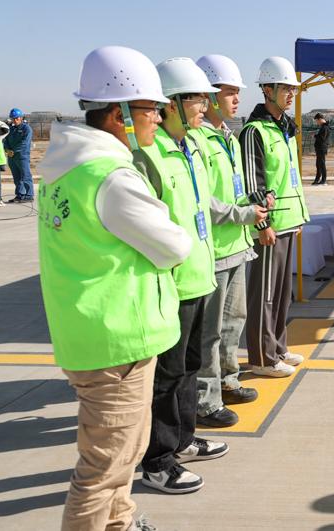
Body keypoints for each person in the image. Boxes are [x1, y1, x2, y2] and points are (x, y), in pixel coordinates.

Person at [37, 45, 191, 531]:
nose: (158, 117)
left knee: (123, 454)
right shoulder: (112, 177)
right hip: (116, 340)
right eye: (151, 108)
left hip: (92, 333)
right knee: (102, 470)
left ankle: (119, 523)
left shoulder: (68, 169)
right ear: (119, 113)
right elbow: (174, 245)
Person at [133, 58, 229, 494]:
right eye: (197, 99)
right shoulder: (148, 154)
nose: (205, 107)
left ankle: (184, 440)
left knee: (190, 366)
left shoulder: (190, 146)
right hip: (172, 283)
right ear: (170, 103)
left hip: (199, 275)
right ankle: (157, 461)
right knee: (167, 376)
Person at [191, 54, 270, 427]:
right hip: (215, 249)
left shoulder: (228, 137)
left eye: (238, 92)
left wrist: (256, 205)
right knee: (209, 331)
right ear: (207, 96)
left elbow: (234, 189)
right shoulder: (197, 139)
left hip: (237, 244)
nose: (237, 99)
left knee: (233, 321)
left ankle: (227, 380)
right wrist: (243, 215)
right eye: (229, 92)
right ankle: (205, 400)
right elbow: (203, 199)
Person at [240, 56, 311, 377]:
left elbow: (289, 179)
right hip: (270, 226)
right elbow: (254, 182)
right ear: (267, 90)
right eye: (285, 88)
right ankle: (261, 358)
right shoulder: (254, 131)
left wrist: (298, 216)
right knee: (264, 296)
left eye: (293, 89)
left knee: (281, 295)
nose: (291, 94)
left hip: (288, 221)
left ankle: (278, 348)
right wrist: (263, 224)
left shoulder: (284, 130)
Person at [4, 107, 34, 202]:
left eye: (17, 118)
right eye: (13, 118)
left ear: (21, 118)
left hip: (22, 156)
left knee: (25, 175)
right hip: (12, 157)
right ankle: (20, 194)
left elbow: (24, 143)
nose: (15, 120)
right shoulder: (11, 129)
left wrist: (13, 150)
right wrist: (7, 149)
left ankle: (29, 195)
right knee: (16, 177)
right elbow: (5, 140)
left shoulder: (26, 129)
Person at [311, 113, 330, 185]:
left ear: (320, 119)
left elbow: (322, 138)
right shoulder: (323, 127)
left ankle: (323, 180)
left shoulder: (325, 127)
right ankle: (317, 179)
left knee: (321, 164)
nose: (317, 123)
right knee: (318, 164)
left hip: (322, 148)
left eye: (317, 121)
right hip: (319, 148)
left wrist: (315, 136)